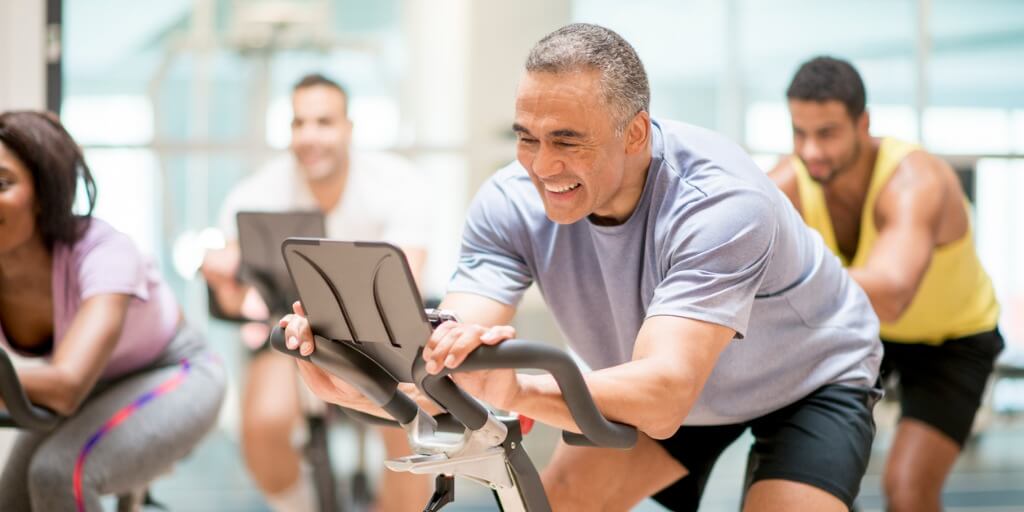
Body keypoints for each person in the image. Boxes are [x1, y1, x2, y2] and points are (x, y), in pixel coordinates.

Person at [280, 24, 884, 511]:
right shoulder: (509, 203)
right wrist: (357, 375)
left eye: (567, 140)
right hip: (665, 384)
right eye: (527, 137)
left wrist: (517, 388)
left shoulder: (719, 204)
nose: (542, 166)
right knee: (561, 501)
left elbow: (665, 395)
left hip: (809, 377)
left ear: (636, 133)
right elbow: (453, 359)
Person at [768, 56, 1003, 512]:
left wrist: (784, 273)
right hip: (860, 334)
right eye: (800, 133)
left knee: (907, 489)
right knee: (812, 483)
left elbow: (892, 294)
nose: (811, 150)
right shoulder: (791, 180)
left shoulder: (915, 181)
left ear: (864, 124)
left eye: (828, 133)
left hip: (953, 342)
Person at [201, 73, 432, 511]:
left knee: (406, 428)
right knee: (263, 425)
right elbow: (237, 304)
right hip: (291, 332)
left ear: (348, 128)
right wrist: (222, 278)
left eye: (324, 122)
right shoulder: (255, 193)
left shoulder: (399, 184)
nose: (310, 136)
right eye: (298, 124)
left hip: (377, 334)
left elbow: (408, 283)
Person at [0, 110, 226, 511]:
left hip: (177, 371)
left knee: (58, 473)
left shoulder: (104, 251)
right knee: (10, 500)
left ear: (43, 193)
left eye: (3, 183)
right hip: (97, 388)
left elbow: (66, 387)